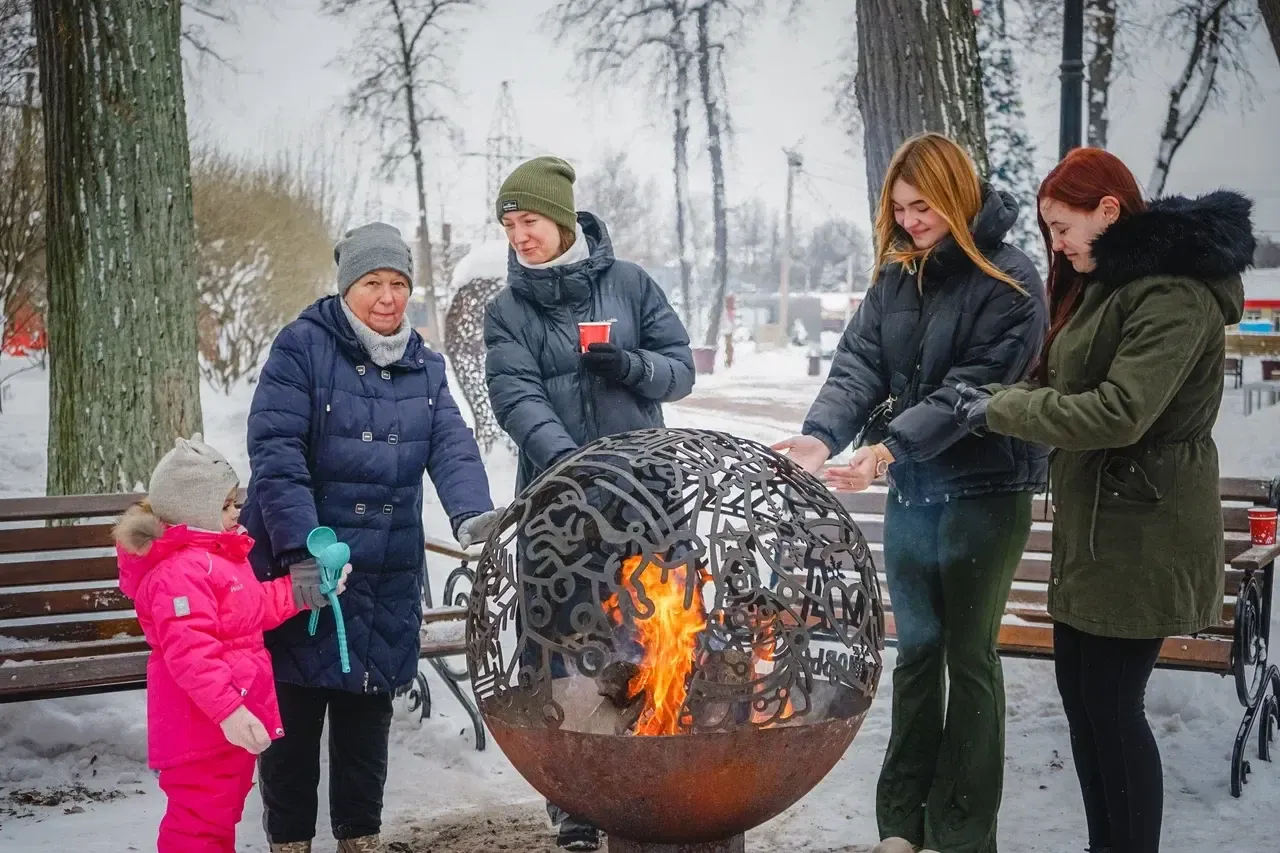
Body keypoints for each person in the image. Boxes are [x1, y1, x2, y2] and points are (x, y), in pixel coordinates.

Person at [954, 148, 1253, 853]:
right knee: (1085, 706)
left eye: (1062, 226)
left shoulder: (1173, 292)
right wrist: (999, 398)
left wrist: (1002, 411)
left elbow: (1120, 411)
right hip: (1094, 527)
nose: (1055, 243)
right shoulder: (1108, 283)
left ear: (1109, 210)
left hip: (1145, 529)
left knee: (1114, 709)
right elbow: (1066, 381)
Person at [772, 132, 1047, 853]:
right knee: (917, 650)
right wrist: (823, 436)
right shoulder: (899, 275)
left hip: (987, 492)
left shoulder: (1012, 281)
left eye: (922, 206)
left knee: (969, 654)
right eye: (899, 208)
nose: (910, 221)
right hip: (916, 493)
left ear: (957, 196)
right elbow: (859, 362)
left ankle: (960, 831)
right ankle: (901, 822)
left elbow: (976, 390)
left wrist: (890, 447)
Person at [240, 222, 501, 853]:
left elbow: (453, 447)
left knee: (366, 711)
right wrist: (304, 546)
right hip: (307, 564)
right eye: (372, 283)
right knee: (294, 716)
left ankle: (360, 838)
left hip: (383, 569)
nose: (387, 297)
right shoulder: (302, 347)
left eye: (398, 284)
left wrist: (473, 513)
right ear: (346, 286)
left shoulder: (424, 366)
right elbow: (275, 454)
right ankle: (291, 842)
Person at [483, 155, 695, 851]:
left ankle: (645, 783)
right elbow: (517, 398)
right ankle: (574, 807)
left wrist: (631, 366)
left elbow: (681, 368)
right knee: (559, 656)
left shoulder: (631, 284)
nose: (521, 236)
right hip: (558, 509)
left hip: (646, 505)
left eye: (531, 221)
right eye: (510, 225)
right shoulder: (506, 310)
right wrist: (576, 466)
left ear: (564, 220)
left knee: (641, 644)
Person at [115, 434, 349, 853]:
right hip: (201, 727)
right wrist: (230, 713)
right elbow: (192, 655)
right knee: (198, 822)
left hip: (224, 725)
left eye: (234, 501)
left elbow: (256, 606)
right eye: (224, 506)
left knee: (219, 815)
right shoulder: (179, 573)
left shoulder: (216, 559)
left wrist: (312, 584)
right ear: (192, 509)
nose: (236, 512)